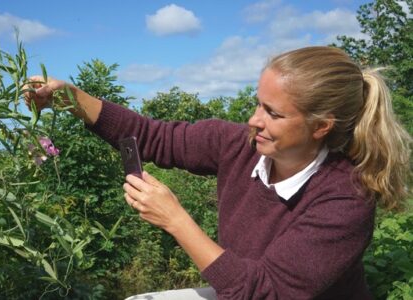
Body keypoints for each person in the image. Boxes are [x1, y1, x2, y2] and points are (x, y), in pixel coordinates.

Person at [24, 46, 411, 299]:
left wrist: (176, 220)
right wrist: (69, 98)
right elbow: (151, 136)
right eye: (258, 104)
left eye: (273, 114)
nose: (253, 120)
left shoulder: (344, 198)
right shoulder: (239, 145)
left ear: (321, 127)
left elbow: (265, 293)